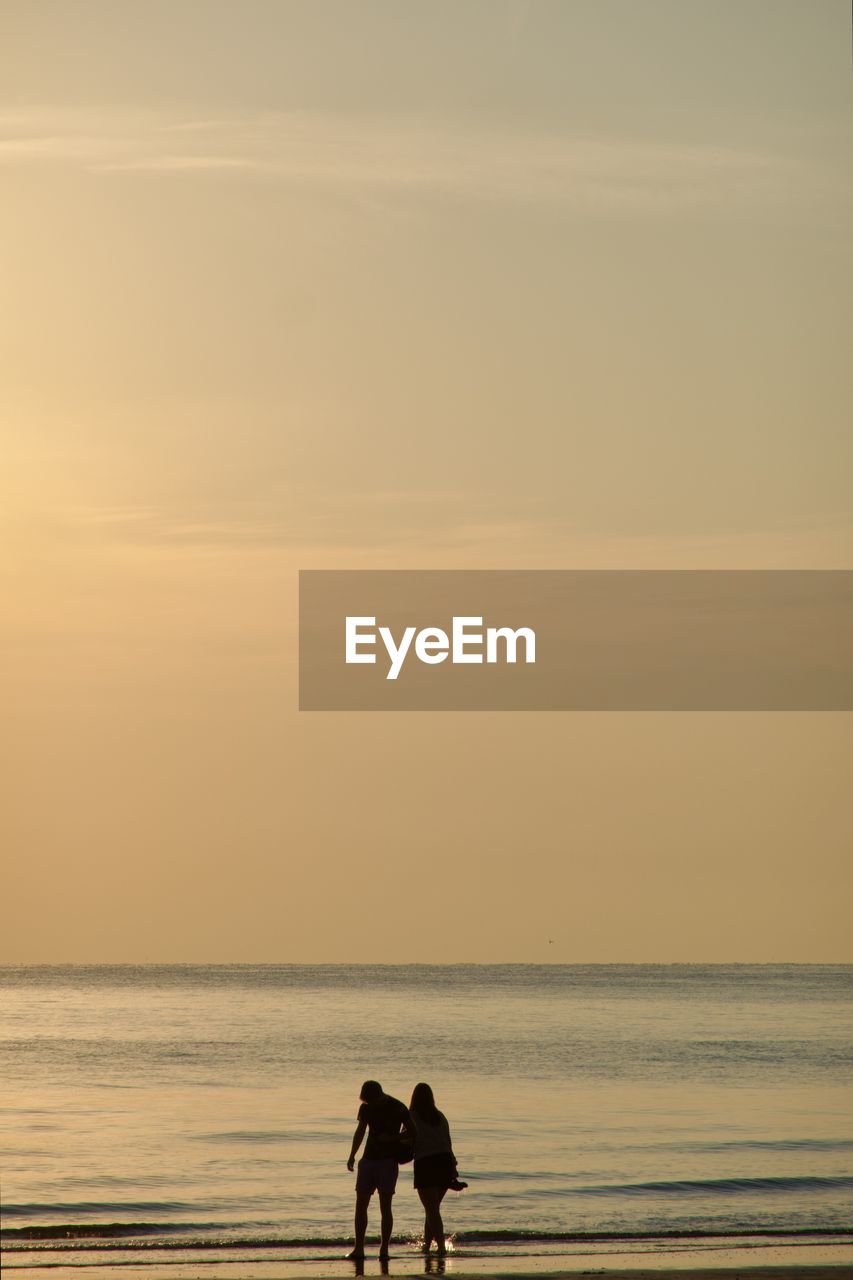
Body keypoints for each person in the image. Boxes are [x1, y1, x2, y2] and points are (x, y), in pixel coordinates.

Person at [346, 1080, 414, 1261]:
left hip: (388, 1162)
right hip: (368, 1160)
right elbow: (360, 1131)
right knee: (361, 1205)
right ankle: (358, 1248)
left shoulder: (397, 1107)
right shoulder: (366, 1108)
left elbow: (412, 1131)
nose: (369, 1104)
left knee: (386, 1207)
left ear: (378, 1095)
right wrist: (352, 1155)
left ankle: (384, 1249)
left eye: (370, 1100)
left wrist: (394, 1137)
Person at [409, 1082, 466, 1256]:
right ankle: (427, 1245)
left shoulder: (412, 1115)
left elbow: (406, 1139)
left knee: (431, 1209)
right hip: (444, 1163)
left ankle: (440, 1247)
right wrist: (453, 1169)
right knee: (432, 1209)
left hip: (426, 1164)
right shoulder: (440, 1116)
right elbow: (448, 1143)